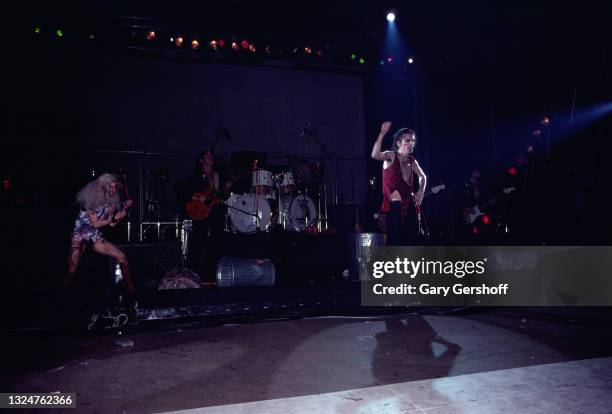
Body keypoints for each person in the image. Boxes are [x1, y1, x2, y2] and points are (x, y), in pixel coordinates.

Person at [65, 173, 135, 298]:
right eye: (111, 187)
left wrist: (123, 211)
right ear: (103, 186)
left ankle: (131, 291)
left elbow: (112, 224)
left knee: (122, 257)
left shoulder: (111, 203)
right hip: (80, 233)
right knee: (72, 269)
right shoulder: (90, 199)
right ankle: (62, 294)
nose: (114, 190)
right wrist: (113, 218)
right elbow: (96, 223)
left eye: (115, 187)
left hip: (95, 235)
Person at [371, 122, 427, 245]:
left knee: (413, 236)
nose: (412, 143)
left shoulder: (412, 161)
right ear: (398, 143)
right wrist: (382, 133)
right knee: (395, 235)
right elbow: (375, 155)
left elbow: (423, 176)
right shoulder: (391, 155)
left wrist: (421, 192)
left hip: (408, 200)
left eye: (413, 141)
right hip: (393, 199)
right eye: (408, 140)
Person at [178, 149, 226, 279]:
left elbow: (217, 194)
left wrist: (220, 196)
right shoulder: (196, 177)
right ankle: (193, 271)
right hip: (199, 212)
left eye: (211, 156)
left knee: (217, 238)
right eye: (207, 156)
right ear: (201, 161)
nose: (211, 158)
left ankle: (215, 271)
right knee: (198, 240)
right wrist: (197, 198)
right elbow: (183, 193)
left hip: (212, 211)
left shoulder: (216, 175)